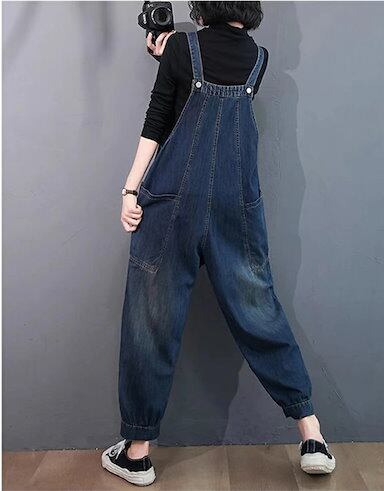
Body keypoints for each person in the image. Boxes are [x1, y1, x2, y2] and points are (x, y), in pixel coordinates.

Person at [101, 2, 336, 486]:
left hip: (172, 205)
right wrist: (172, 59)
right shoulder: (259, 60)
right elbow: (218, 94)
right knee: (259, 311)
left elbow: (159, 119)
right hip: (236, 207)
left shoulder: (181, 49)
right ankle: (312, 435)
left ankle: (138, 453)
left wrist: (129, 190)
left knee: (152, 319)